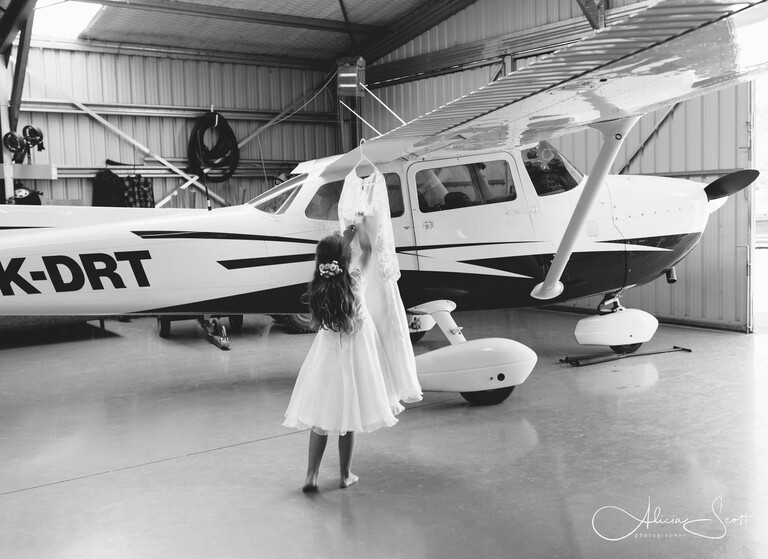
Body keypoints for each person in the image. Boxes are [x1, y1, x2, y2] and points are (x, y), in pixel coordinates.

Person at [282, 216, 400, 492]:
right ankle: (345, 475)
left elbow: (331, 258)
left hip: (326, 359)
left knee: (320, 420)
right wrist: (358, 228)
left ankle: (311, 475)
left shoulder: (319, 288)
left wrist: (341, 238)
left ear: (320, 263)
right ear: (347, 260)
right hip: (356, 358)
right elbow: (368, 251)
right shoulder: (356, 281)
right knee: (349, 420)